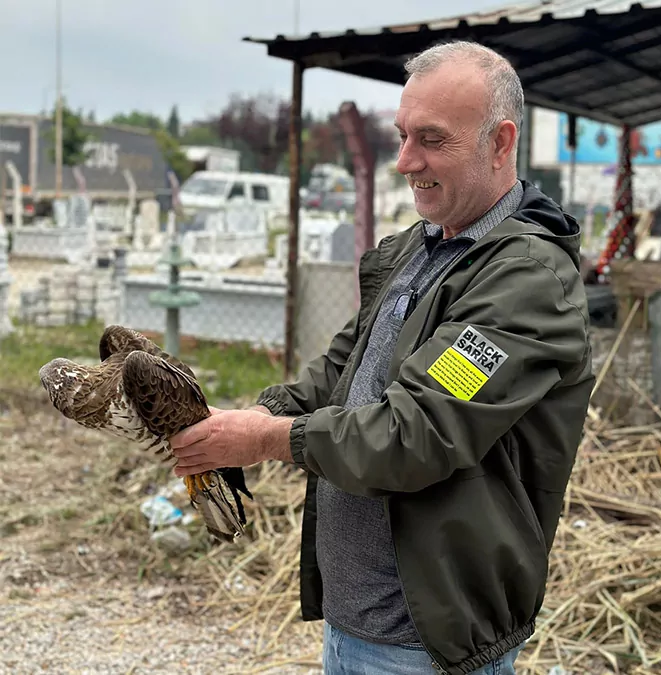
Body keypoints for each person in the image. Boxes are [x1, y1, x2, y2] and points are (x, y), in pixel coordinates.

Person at [169, 40, 594, 675]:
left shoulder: (526, 281)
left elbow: (414, 433)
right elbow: (340, 373)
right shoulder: (416, 250)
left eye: (431, 139)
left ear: (500, 143)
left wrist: (263, 439)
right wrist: (248, 416)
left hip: (428, 640)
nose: (404, 161)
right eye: (400, 135)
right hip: (359, 620)